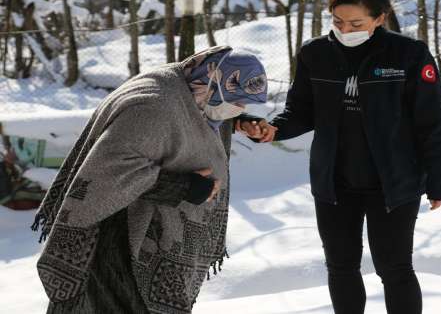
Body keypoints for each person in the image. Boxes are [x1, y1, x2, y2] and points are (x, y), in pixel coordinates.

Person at [236, 0, 441, 314]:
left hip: (394, 183)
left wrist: (439, 183)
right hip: (335, 183)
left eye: (356, 24)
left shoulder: (408, 55)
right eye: (338, 22)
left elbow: (433, 124)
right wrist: (273, 129)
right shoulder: (315, 54)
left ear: (380, 17)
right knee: (340, 267)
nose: (345, 31)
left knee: (394, 268)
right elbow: (302, 110)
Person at [32, 46, 268, 314]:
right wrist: (186, 187)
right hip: (111, 239)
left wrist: (239, 121)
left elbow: (192, 120)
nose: (240, 108)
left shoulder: (191, 84)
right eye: (238, 102)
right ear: (217, 82)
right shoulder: (154, 104)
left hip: (136, 234)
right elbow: (112, 168)